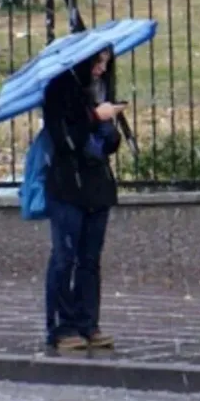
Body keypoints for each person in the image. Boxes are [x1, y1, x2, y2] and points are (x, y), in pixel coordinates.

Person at [41, 47, 124, 351]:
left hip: (96, 186)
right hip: (67, 187)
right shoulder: (59, 91)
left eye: (106, 62)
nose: (102, 69)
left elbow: (109, 144)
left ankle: (88, 323)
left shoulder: (97, 91)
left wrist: (107, 124)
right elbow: (66, 139)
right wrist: (92, 117)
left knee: (90, 260)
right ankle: (62, 327)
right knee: (65, 258)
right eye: (98, 62)